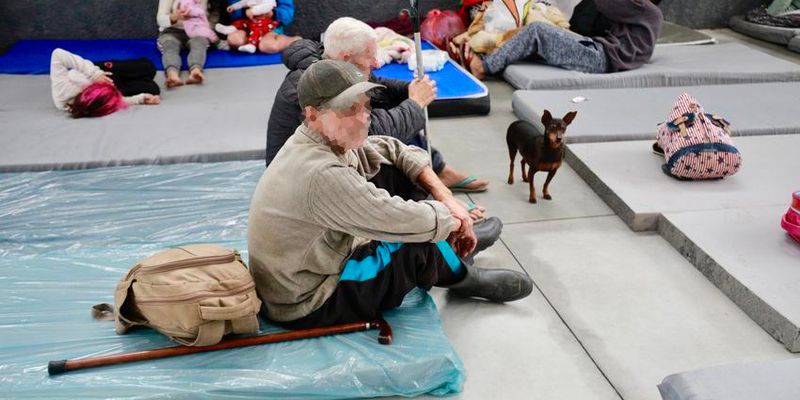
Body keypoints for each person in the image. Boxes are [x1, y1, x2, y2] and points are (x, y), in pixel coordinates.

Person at [248, 59, 533, 328]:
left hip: (308, 266)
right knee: (415, 240)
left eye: (365, 106)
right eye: (349, 109)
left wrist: (445, 196)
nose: (363, 118)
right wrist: (456, 219)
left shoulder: (323, 137)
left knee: (396, 173)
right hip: (308, 300)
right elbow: (406, 222)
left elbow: (393, 149)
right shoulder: (320, 173)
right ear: (313, 114)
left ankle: (453, 247)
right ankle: (463, 277)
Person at [266, 17, 490, 193]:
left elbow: (377, 86)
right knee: (395, 139)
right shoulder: (315, 86)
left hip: (326, 162)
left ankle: (437, 171)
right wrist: (414, 104)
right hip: (303, 181)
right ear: (346, 58)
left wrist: (408, 90)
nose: (376, 63)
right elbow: (366, 134)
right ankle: (433, 207)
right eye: (369, 57)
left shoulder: (334, 65)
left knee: (398, 112)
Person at [454, 0, 663, 79]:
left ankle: (484, 66)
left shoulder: (646, 11)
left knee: (537, 31)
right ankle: (483, 51)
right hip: (599, 51)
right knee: (534, 33)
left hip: (602, 58)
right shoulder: (643, 13)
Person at [50, 49, 161, 118]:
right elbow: (114, 102)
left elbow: (58, 54)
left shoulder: (62, 91)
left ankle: (105, 78)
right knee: (153, 89)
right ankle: (115, 87)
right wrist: (140, 99)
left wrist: (95, 75)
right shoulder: (93, 107)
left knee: (148, 67)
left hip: (98, 73)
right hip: (112, 89)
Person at [157, 0, 212, 87]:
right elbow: (160, 19)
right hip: (171, 31)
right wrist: (173, 17)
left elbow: (212, 16)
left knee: (199, 44)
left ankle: (195, 71)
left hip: (196, 30)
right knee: (170, 45)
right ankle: (172, 74)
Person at [223, 0, 301, 54]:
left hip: (270, 27)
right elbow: (232, 12)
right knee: (234, 39)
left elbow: (287, 13)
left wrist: (272, 13)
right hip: (247, 26)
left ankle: (294, 40)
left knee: (268, 46)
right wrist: (245, 12)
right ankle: (253, 42)